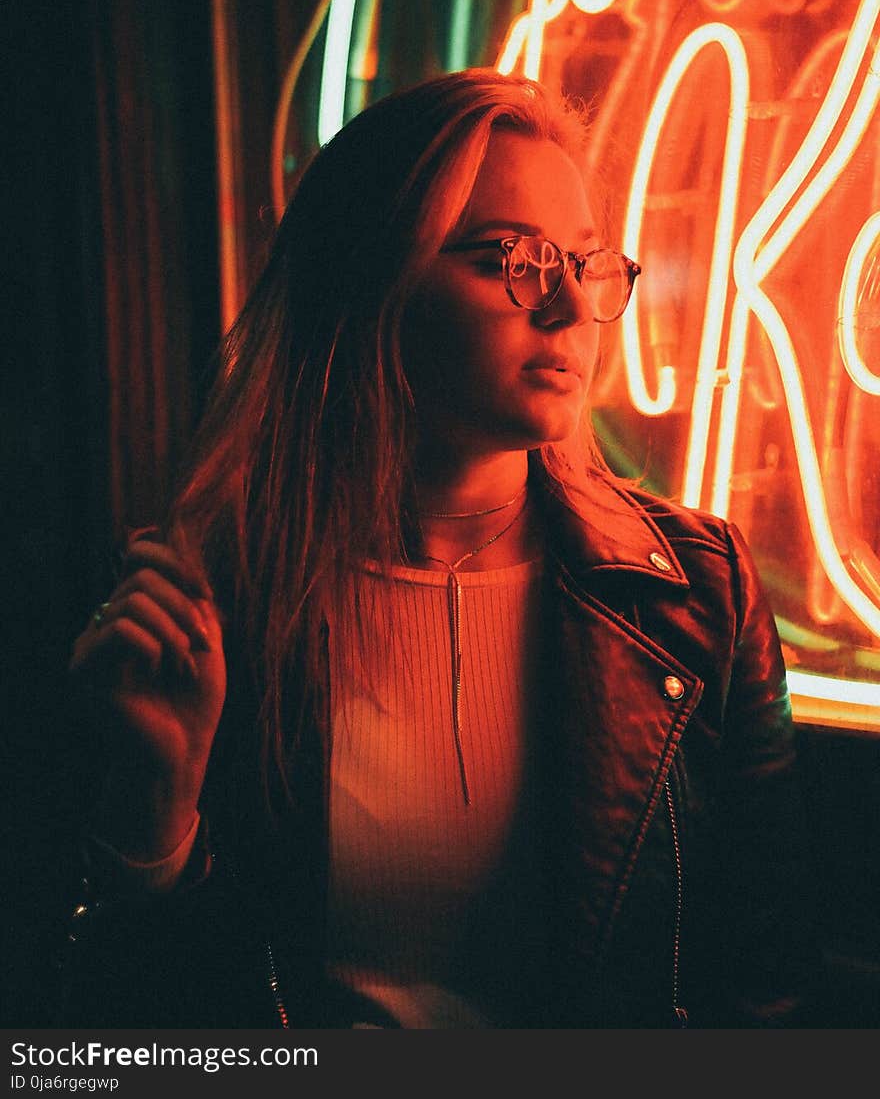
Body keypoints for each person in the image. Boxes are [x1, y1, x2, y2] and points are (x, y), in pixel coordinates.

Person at [58, 67, 821, 1029]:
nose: (570, 309)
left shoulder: (697, 592)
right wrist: (151, 828)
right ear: (371, 280)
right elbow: (120, 1033)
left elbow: (767, 980)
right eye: (511, 257)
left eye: (584, 263)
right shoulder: (212, 603)